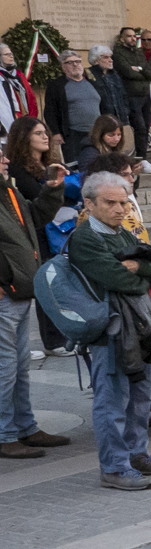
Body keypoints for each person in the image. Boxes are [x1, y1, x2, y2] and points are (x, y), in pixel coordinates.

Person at [66, 173, 151, 489]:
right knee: (112, 400)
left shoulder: (123, 233)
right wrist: (141, 274)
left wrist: (138, 266)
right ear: (89, 204)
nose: (120, 209)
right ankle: (114, 467)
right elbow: (117, 279)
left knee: (140, 396)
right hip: (109, 329)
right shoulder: (85, 238)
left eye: (124, 202)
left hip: (139, 325)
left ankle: (137, 455)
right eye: (110, 202)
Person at [0, 144, 69, 458]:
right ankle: (5, 434)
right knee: (6, 368)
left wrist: (52, 189)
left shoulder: (9, 192)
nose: (6, 160)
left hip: (18, 291)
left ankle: (25, 427)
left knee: (18, 366)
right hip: (7, 292)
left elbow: (35, 217)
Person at [111, 27, 151, 163]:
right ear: (122, 38)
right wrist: (140, 72)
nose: (133, 39)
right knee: (139, 126)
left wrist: (139, 70)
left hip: (145, 94)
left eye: (134, 36)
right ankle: (140, 159)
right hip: (132, 94)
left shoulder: (138, 52)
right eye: (129, 36)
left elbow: (148, 70)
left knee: (146, 126)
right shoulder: (118, 53)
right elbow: (127, 72)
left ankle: (143, 158)